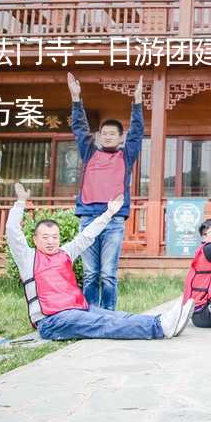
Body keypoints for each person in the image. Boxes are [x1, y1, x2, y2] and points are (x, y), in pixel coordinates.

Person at [6, 183, 192, 340]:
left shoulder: (65, 253)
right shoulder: (27, 258)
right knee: (104, 323)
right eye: (45, 237)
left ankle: (163, 319)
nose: (50, 241)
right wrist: (20, 202)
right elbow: (12, 231)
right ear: (35, 240)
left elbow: (87, 235)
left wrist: (109, 213)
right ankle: (160, 327)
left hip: (79, 309)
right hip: (52, 320)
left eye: (54, 237)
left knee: (115, 315)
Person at [67, 72, 144, 311]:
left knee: (108, 273)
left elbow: (137, 132)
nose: (108, 136)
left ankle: (108, 314)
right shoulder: (90, 152)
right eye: (105, 133)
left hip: (113, 220)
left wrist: (138, 102)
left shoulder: (126, 156)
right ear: (100, 136)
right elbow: (80, 128)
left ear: (121, 138)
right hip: (89, 218)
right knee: (90, 274)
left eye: (114, 133)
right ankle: (91, 314)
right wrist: (76, 98)